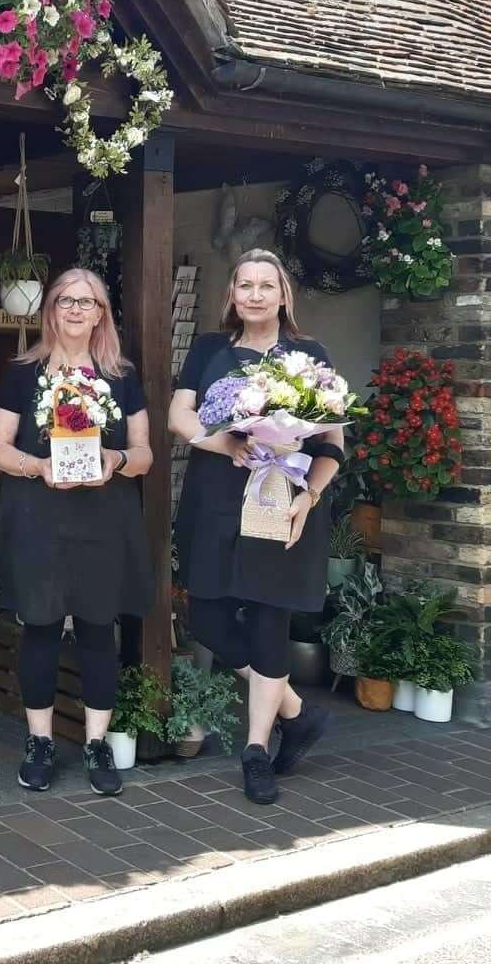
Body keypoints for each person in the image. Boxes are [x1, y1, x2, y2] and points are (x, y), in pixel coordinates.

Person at [167, 249, 344, 806]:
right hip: (216, 501)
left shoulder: (309, 355)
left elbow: (331, 443)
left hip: (280, 503)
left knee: (270, 622)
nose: (255, 295)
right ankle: (295, 711)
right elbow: (179, 415)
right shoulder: (207, 350)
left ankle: (256, 750)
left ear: (283, 294)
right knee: (209, 618)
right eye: (245, 285)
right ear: (232, 295)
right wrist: (224, 442)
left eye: (266, 285)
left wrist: (309, 499)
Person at [0, 267, 154, 797]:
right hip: (40, 515)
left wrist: (116, 458)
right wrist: (37, 467)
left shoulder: (121, 375)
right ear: (50, 310)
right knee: (39, 627)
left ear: (102, 313)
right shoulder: (23, 371)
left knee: (99, 629)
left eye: (89, 302)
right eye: (66, 301)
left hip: (104, 518)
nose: (77, 310)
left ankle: (96, 743)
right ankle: (39, 743)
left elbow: (146, 454)